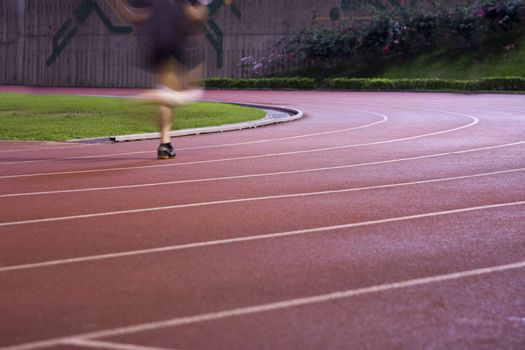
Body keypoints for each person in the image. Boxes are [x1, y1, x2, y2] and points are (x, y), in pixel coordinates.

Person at [115, 0, 209, 159]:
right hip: (178, 40)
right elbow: (196, 13)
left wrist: (118, 5)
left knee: (167, 92)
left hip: (157, 42)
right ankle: (146, 99)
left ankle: (165, 144)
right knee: (190, 92)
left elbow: (137, 16)